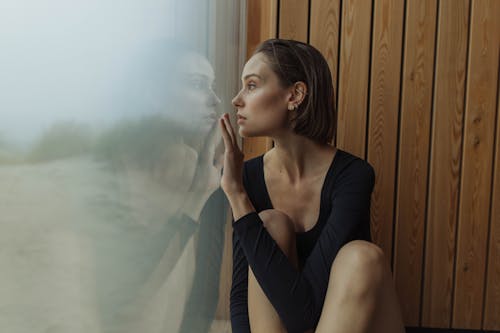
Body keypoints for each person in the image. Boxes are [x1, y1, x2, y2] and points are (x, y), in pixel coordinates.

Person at [218, 38, 406, 333]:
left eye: (252, 85)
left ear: (295, 95)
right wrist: (236, 194)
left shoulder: (353, 176)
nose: (237, 99)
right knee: (270, 224)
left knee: (362, 257)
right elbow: (241, 300)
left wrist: (238, 194)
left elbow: (306, 312)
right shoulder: (248, 178)